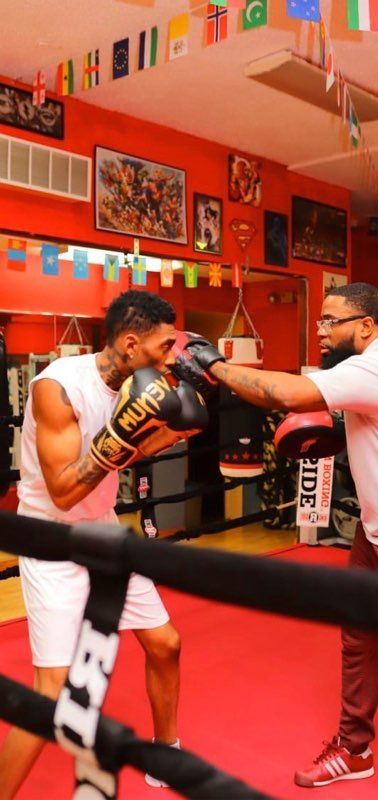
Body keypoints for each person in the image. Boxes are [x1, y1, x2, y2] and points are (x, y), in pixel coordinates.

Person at [170, 282, 378, 798]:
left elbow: (283, 393)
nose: (320, 331)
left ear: (365, 326)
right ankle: (354, 748)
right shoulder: (372, 370)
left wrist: (214, 365)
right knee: (359, 642)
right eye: (318, 321)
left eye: (329, 322)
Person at [0, 289, 207, 798]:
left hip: (105, 534)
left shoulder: (135, 384)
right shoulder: (58, 390)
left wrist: (170, 434)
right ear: (130, 343)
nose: (168, 358)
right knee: (52, 695)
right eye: (162, 348)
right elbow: (66, 492)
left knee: (166, 644)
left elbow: (122, 455)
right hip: (53, 542)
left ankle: (166, 754)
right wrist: (124, 432)